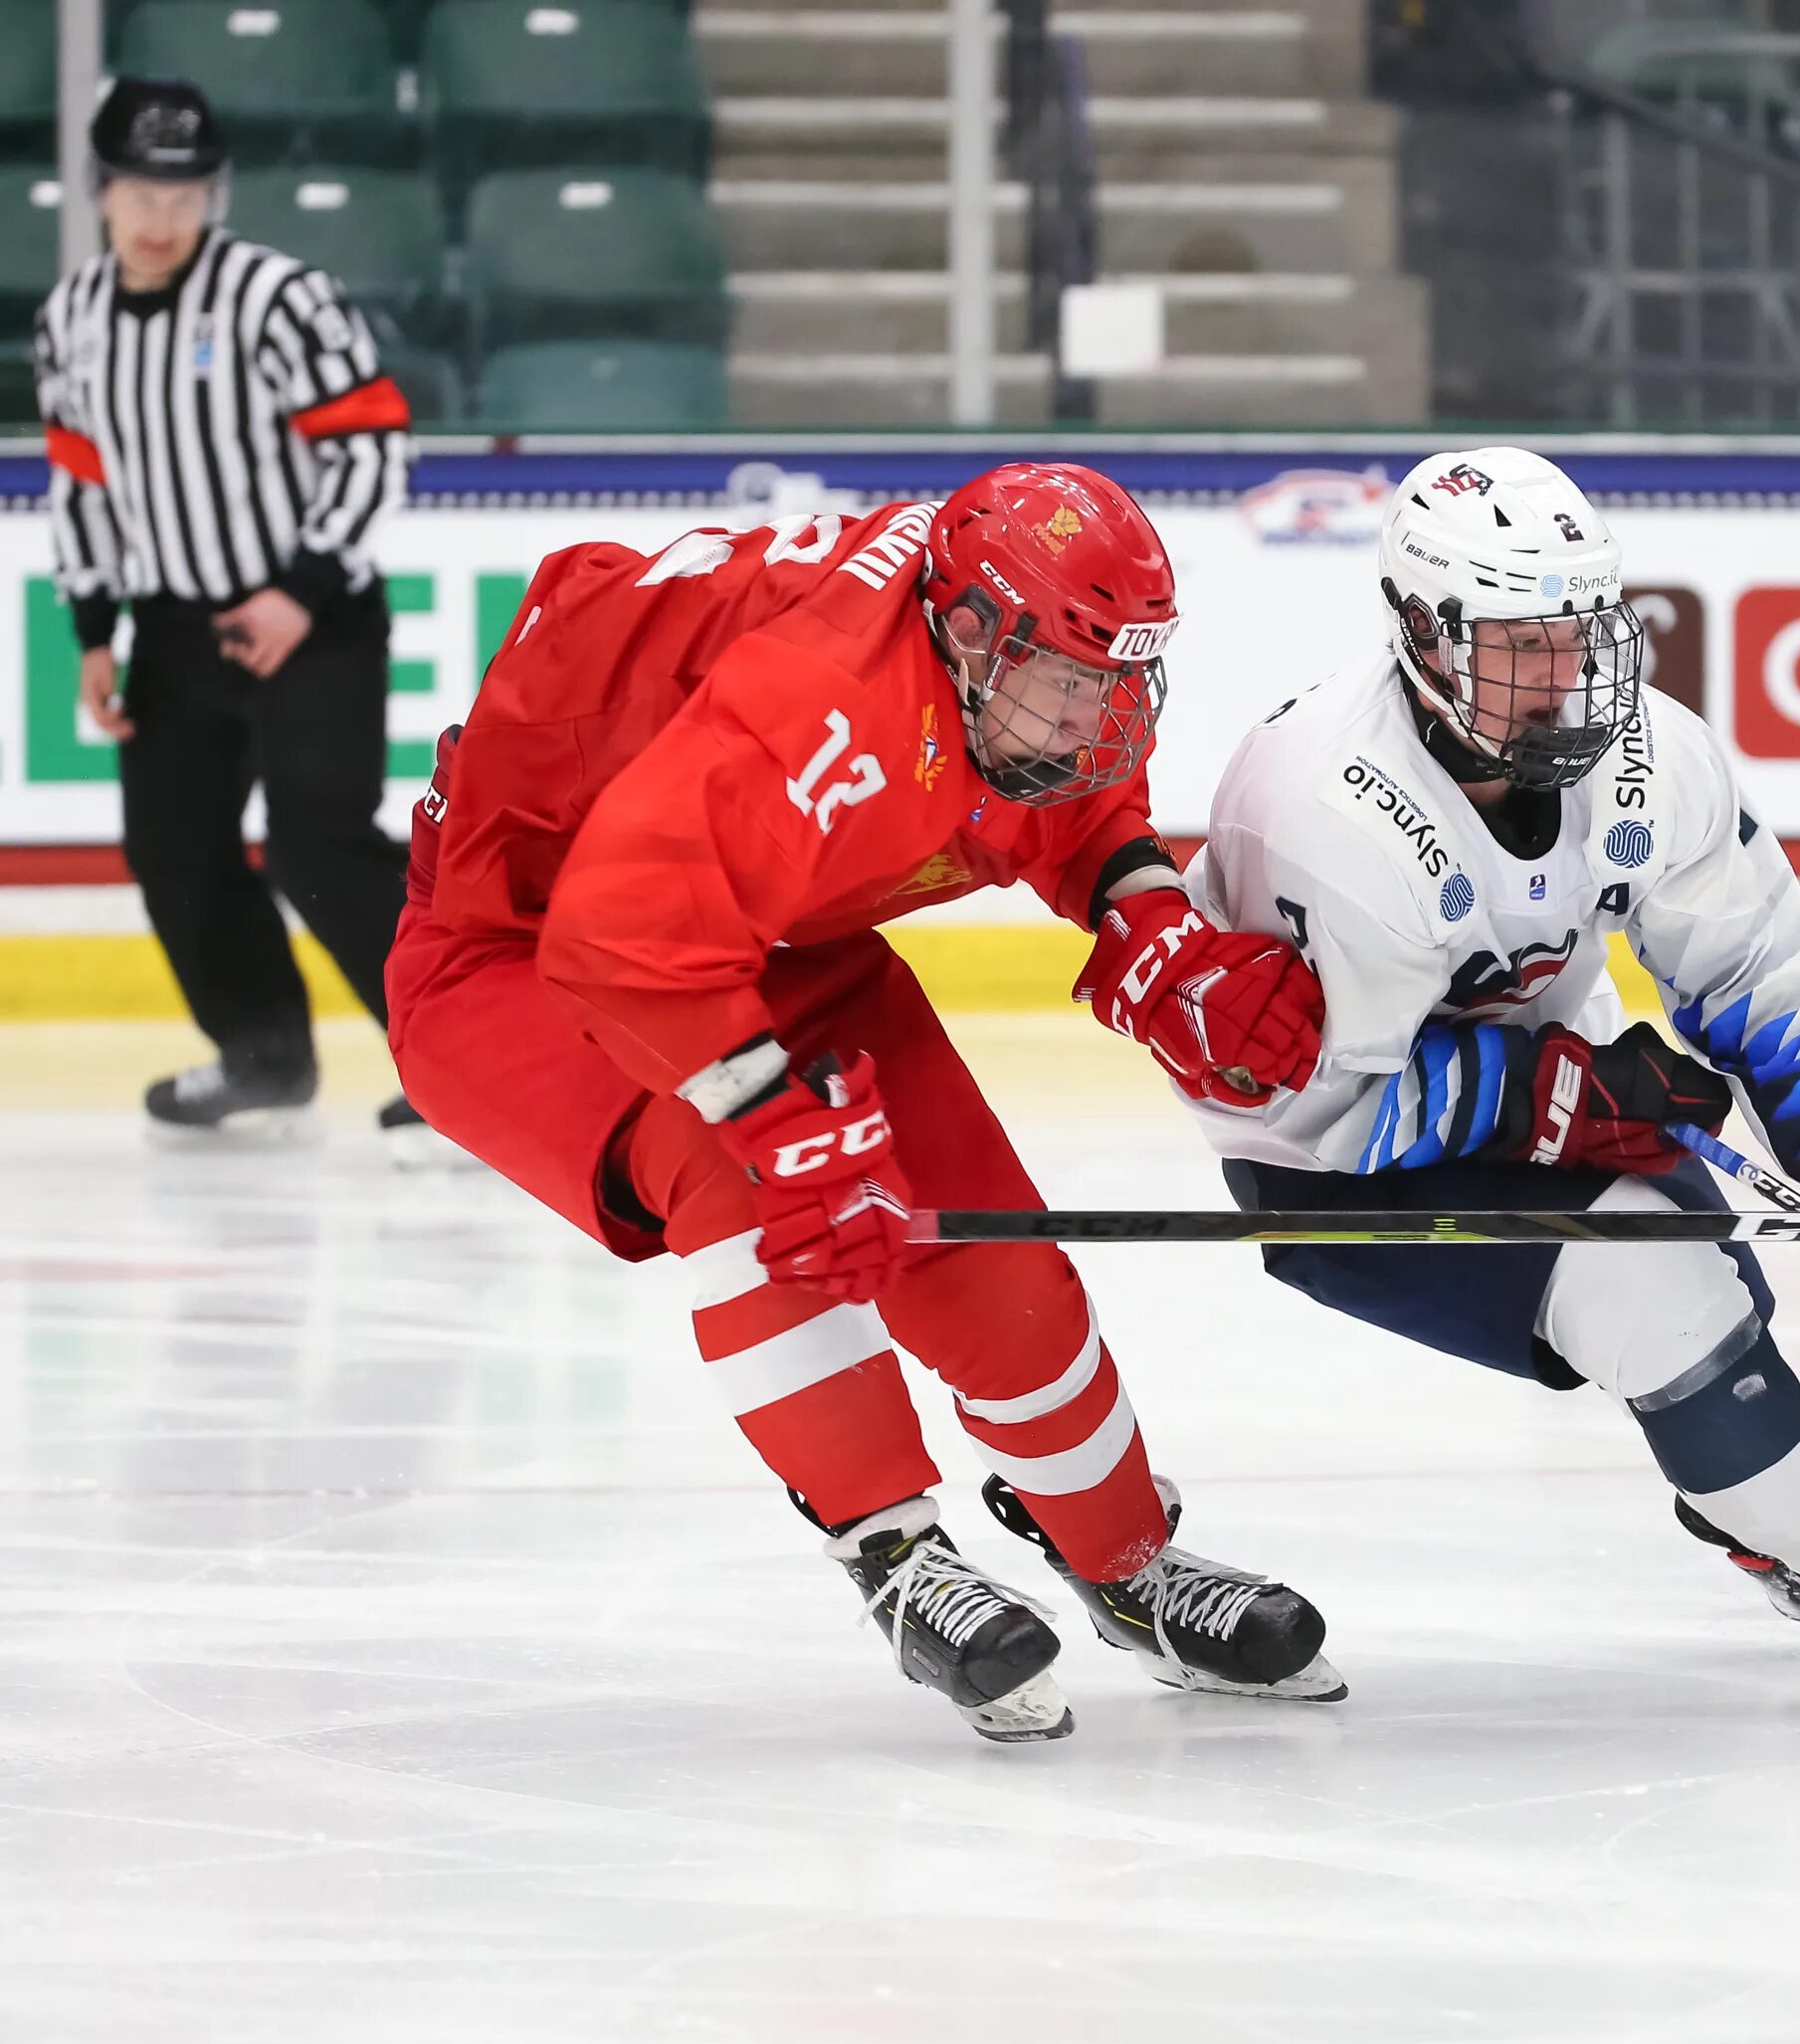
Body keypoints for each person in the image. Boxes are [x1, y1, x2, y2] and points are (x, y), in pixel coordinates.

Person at [385, 465, 1343, 1741]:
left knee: (981, 1243)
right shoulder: (824, 706)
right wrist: (772, 1116)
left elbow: (1070, 797)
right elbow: (623, 929)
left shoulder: (1018, 655)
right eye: (1074, 683)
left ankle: (1125, 1564)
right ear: (964, 630)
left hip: (777, 925)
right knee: (744, 1184)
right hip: (519, 944)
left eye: (1120, 681)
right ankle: (893, 1552)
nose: (1101, 717)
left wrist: (1149, 920)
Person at [1175, 446, 1800, 1711]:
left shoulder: (1652, 755)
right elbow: (1310, 1110)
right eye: (1519, 645)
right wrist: (1535, 1094)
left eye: (1579, 633)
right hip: (1333, 1167)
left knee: (1705, 1284)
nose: (1564, 677)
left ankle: (1765, 1511)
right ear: (1422, 637)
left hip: (1556, 1093)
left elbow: (1752, 966)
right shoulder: (1325, 810)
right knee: (1660, 1295)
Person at [32, 78, 421, 1143]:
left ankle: (458, 1064)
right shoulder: (70, 320)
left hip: (315, 612)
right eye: (139, 193)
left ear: (216, 192)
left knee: (319, 842)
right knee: (173, 846)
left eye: (186, 193)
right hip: (170, 624)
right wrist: (93, 631)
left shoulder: (278, 298)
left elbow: (373, 442)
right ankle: (262, 1053)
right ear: (100, 190)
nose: (162, 219)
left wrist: (299, 591)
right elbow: (84, 482)